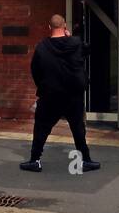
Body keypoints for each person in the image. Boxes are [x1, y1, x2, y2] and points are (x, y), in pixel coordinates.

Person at [20, 14, 100, 173]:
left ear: (49, 28)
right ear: (64, 26)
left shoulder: (42, 47)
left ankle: (35, 160)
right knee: (78, 128)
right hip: (73, 95)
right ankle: (86, 160)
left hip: (50, 95)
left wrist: (43, 86)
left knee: (41, 128)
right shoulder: (76, 43)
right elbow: (88, 50)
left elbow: (35, 70)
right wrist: (70, 38)